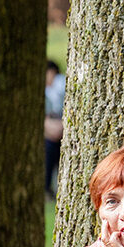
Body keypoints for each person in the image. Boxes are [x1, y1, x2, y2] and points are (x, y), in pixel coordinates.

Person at [44, 59, 66, 197]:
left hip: (63, 129)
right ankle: (47, 188)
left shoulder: (61, 84)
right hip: (51, 132)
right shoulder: (46, 90)